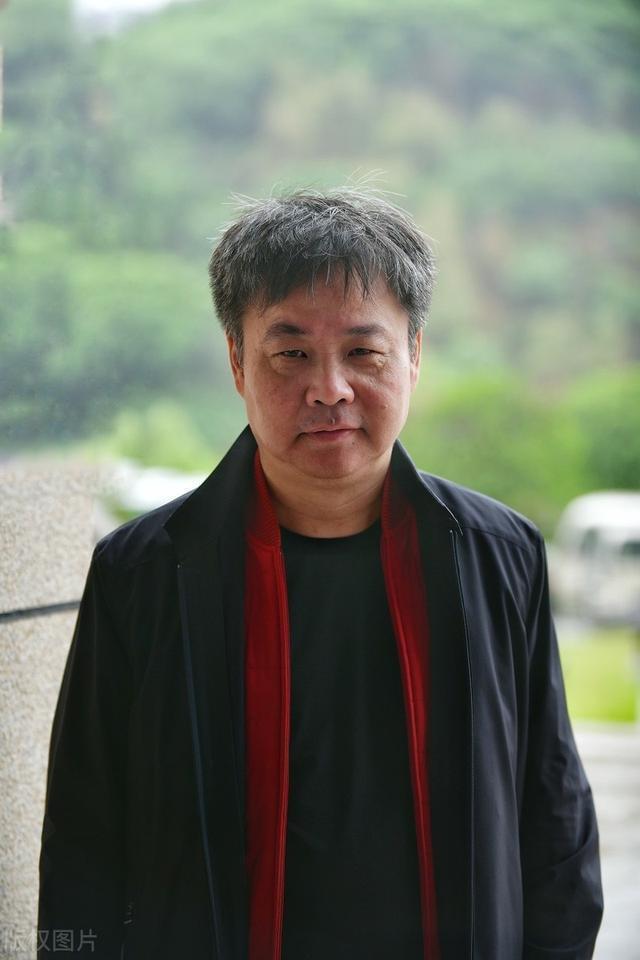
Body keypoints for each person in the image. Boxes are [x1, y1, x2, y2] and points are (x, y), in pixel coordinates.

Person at [38, 188, 603, 960]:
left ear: (414, 355)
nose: (329, 388)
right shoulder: (143, 573)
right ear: (237, 361)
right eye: (291, 352)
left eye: (364, 352)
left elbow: (556, 823)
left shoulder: (498, 554)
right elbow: (83, 843)